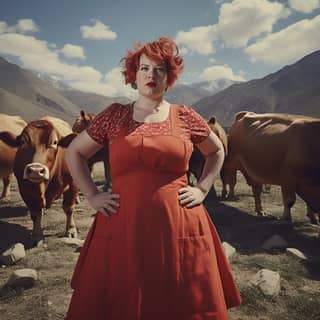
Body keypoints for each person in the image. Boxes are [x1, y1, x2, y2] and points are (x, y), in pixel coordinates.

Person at [65, 36, 241, 320]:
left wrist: (203, 188)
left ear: (169, 77)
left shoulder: (185, 116)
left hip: (179, 223)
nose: (151, 75)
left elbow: (217, 151)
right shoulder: (114, 116)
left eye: (160, 69)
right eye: (145, 68)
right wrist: (93, 195)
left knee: (181, 301)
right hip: (122, 223)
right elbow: (74, 152)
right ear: (133, 75)